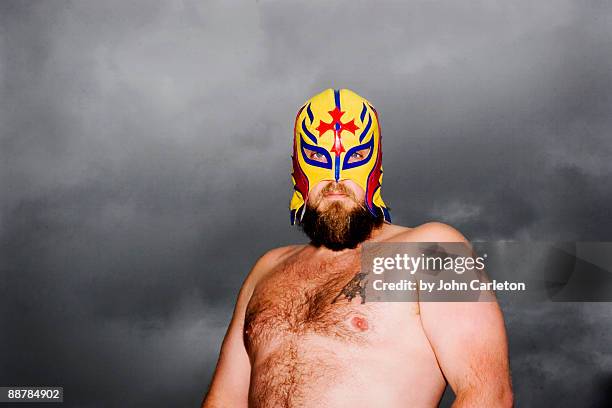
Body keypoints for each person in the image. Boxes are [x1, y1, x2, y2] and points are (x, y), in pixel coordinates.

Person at [202, 89, 513, 407]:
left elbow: (486, 394)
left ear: (375, 168)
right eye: (319, 159)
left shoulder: (429, 248)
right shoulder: (268, 268)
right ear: (297, 170)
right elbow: (224, 399)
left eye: (354, 158)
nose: (336, 179)